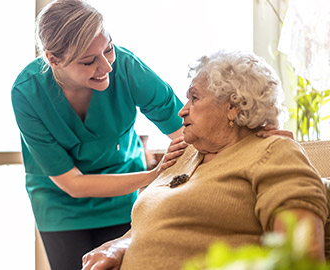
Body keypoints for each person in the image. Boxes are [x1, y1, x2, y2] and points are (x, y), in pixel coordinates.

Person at [12, 1, 292, 269]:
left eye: (108, 49)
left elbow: (192, 132)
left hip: (124, 196)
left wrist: (254, 138)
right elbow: (73, 184)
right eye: (88, 62)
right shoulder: (27, 93)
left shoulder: (126, 67)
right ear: (53, 59)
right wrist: (152, 176)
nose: (107, 66)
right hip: (61, 205)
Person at [81, 50, 327, 270]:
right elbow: (155, 224)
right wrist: (119, 244)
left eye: (194, 98)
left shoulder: (273, 152)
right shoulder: (184, 154)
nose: (182, 110)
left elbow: (302, 257)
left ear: (234, 107)